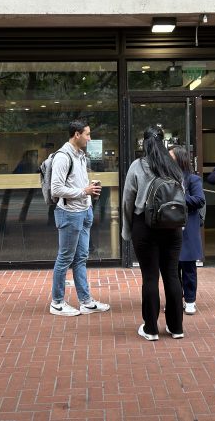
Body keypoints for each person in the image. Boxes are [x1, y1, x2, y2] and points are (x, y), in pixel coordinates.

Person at [122, 126, 185, 341]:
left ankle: (150, 329)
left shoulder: (138, 166)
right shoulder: (173, 166)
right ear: (163, 143)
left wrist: (127, 229)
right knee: (172, 275)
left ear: (145, 144)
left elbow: (128, 200)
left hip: (145, 226)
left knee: (150, 277)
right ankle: (176, 327)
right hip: (173, 227)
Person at [49, 119, 110, 317]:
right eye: (87, 134)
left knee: (81, 258)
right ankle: (57, 302)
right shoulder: (63, 156)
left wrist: (90, 192)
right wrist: (84, 191)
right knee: (65, 258)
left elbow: (76, 185)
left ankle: (85, 301)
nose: (89, 138)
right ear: (77, 134)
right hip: (69, 214)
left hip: (84, 212)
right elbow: (56, 189)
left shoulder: (81, 156)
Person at [169, 145, 205, 315]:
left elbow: (199, 200)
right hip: (170, 226)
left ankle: (190, 300)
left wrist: (178, 198)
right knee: (172, 267)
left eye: (171, 156)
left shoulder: (192, 179)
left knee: (188, 266)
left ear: (180, 158)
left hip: (188, 226)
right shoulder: (165, 177)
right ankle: (175, 300)